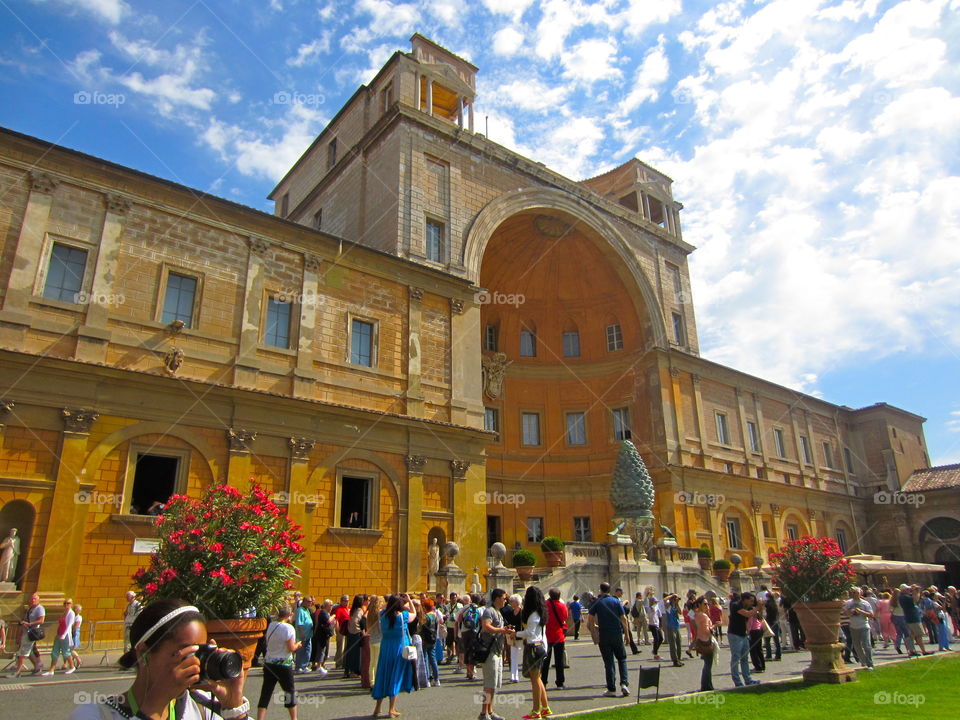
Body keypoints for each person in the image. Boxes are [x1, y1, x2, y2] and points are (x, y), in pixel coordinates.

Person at [68, 598, 250, 720]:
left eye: (202, 653)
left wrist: (233, 708)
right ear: (143, 653)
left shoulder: (199, 709)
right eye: (186, 653)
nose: (195, 664)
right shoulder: (93, 714)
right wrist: (154, 706)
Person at [371, 593, 415, 718]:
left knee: (382, 675)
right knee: (395, 677)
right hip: (398, 648)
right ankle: (391, 709)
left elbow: (383, 608)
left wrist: (391, 602)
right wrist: (409, 600)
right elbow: (414, 613)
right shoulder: (403, 616)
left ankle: (377, 708)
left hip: (385, 647)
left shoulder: (382, 614)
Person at [586, 582, 630, 698]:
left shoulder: (598, 602)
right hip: (617, 634)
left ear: (600, 590)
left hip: (604, 635)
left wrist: (594, 631)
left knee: (609, 662)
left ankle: (611, 688)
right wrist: (627, 634)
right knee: (622, 659)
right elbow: (624, 618)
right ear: (610, 590)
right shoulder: (616, 601)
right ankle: (624, 684)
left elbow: (590, 620)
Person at [259, 605, 301, 720]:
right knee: (289, 692)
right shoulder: (289, 628)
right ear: (289, 614)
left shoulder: (271, 625)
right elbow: (291, 648)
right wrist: (298, 645)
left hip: (269, 662)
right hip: (284, 664)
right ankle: (294, 718)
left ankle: (260, 718)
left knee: (266, 692)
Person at [478, 588, 513, 720]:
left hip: (498, 650)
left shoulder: (498, 612)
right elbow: (486, 626)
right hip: (489, 650)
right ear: (497, 598)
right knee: (488, 683)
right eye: (504, 598)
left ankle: (490, 711)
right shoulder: (489, 611)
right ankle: (483, 713)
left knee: (494, 683)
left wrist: (506, 630)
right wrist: (502, 630)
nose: (505, 601)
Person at [515, 586, 549, 719]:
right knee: (537, 678)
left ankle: (536, 710)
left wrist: (515, 633)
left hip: (534, 647)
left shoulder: (534, 614)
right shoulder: (540, 612)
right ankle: (545, 707)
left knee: (534, 680)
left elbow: (530, 633)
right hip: (539, 646)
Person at [727, 591, 760, 686]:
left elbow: (758, 615)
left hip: (743, 634)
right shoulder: (735, 605)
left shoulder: (748, 607)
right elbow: (748, 614)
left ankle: (748, 679)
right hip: (734, 634)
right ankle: (737, 681)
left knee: (745, 658)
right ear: (744, 599)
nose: (752, 603)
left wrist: (760, 606)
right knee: (736, 658)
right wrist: (757, 607)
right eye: (750, 601)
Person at [13, 592, 45, 676]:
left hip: (33, 632)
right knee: (29, 651)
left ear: (38, 600)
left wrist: (30, 624)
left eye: (35, 599)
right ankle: (38, 665)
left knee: (23, 652)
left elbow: (41, 620)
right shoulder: (29, 609)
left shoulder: (40, 608)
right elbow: (25, 621)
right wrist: (19, 635)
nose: (32, 600)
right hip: (26, 632)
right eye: (31, 599)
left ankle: (18, 671)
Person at [542, 588, 568, 689]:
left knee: (545, 660)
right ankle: (560, 682)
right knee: (559, 660)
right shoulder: (562, 606)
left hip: (547, 635)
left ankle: (543, 681)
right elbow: (564, 618)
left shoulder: (545, 605)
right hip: (559, 635)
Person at [43, 598, 76, 675]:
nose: (66, 605)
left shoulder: (71, 613)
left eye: (68, 603)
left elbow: (69, 625)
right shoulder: (64, 612)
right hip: (59, 634)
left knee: (66, 653)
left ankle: (72, 666)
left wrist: (64, 635)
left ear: (71, 604)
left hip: (66, 635)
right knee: (55, 652)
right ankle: (51, 670)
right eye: (65, 603)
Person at [844, 587, 875, 669]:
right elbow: (845, 613)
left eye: (855, 592)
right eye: (852, 592)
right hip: (853, 626)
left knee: (866, 645)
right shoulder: (848, 603)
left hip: (864, 626)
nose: (853, 594)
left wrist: (861, 611)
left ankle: (870, 663)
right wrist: (850, 611)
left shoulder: (865, 603)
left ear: (860, 593)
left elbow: (871, 615)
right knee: (857, 646)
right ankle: (863, 661)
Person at [692, 596, 715, 691]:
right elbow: (707, 631)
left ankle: (706, 685)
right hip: (706, 641)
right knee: (708, 665)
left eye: (707, 604)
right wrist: (714, 627)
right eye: (704, 604)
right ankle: (707, 685)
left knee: (706, 664)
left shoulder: (696, 615)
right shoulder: (704, 616)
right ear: (699, 605)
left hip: (700, 640)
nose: (707, 606)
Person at [899, 584, 929, 656]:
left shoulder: (902, 597)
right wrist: (917, 591)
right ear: (903, 590)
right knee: (918, 635)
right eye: (907, 589)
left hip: (909, 617)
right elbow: (916, 599)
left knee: (911, 635)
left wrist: (914, 591)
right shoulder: (905, 597)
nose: (909, 590)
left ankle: (911, 651)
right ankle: (923, 651)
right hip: (913, 618)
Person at [457, 593, 482, 681]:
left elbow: (459, 619)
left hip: (464, 631)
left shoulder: (464, 608)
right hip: (474, 632)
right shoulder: (479, 609)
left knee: (466, 651)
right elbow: (481, 620)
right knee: (473, 651)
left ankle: (468, 672)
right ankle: (472, 673)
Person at [344, 594, 367, 679]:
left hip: (351, 633)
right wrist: (361, 630)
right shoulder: (359, 611)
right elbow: (358, 622)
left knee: (350, 653)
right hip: (357, 634)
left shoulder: (352, 610)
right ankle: (355, 671)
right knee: (356, 654)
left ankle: (349, 670)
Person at [420, 597, 441, 687]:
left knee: (425, 658)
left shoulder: (425, 617)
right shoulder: (435, 616)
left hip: (425, 639)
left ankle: (427, 679)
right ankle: (437, 679)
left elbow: (421, 628)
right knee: (433, 659)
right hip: (433, 639)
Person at [504, 594, 523, 683]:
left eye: (512, 601)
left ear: (516, 602)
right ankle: (514, 676)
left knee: (526, 656)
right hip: (512, 637)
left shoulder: (523, 612)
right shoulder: (510, 612)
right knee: (513, 657)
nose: (510, 603)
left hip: (522, 636)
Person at [312, 599, 333, 674]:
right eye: (331, 605)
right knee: (321, 650)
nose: (331, 607)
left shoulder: (325, 612)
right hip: (322, 634)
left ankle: (320, 665)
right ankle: (319, 666)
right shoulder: (323, 612)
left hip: (324, 634)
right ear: (326, 605)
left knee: (323, 650)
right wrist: (333, 616)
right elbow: (328, 621)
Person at [293, 596, 314, 673]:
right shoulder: (300, 610)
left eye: (311, 601)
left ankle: (304, 666)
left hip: (308, 634)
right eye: (308, 602)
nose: (310, 603)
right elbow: (299, 624)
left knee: (308, 650)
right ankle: (299, 667)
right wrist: (302, 634)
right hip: (302, 635)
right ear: (304, 602)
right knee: (301, 651)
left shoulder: (307, 610)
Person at [663, 594, 684, 666]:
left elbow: (680, 612)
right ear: (672, 600)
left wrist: (677, 603)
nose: (676, 600)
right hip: (670, 626)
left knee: (679, 642)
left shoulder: (675, 606)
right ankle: (675, 660)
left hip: (677, 626)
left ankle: (678, 658)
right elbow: (664, 600)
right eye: (675, 599)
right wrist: (672, 596)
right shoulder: (668, 606)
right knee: (673, 644)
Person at [366, 595, 383, 687]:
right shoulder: (379, 613)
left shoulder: (369, 613)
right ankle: (377, 681)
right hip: (379, 639)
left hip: (372, 639)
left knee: (372, 662)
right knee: (377, 662)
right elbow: (381, 627)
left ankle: (371, 681)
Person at [644, 589, 663, 661]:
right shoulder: (649, 607)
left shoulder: (656, 606)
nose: (653, 602)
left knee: (661, 639)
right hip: (652, 625)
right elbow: (645, 602)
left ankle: (655, 651)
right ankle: (655, 654)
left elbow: (659, 615)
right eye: (652, 601)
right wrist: (647, 596)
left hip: (657, 624)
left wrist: (661, 624)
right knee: (656, 639)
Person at [747, 599, 765, 673]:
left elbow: (750, 624)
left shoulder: (752, 613)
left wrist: (748, 632)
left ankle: (757, 666)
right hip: (759, 630)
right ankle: (762, 665)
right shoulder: (758, 612)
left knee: (753, 650)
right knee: (759, 649)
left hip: (754, 631)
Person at [333, 595, 350, 668]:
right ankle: (338, 663)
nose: (347, 602)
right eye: (345, 601)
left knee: (347, 646)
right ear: (341, 601)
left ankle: (345, 662)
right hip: (341, 630)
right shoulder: (339, 609)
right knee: (340, 647)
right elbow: (336, 620)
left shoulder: (349, 608)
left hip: (348, 630)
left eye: (347, 601)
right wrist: (338, 630)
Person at [764, 592, 782, 660]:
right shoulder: (774, 604)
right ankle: (778, 655)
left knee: (767, 639)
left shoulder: (767, 604)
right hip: (775, 622)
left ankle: (769, 655)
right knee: (776, 640)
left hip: (768, 622)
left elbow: (764, 612)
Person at [70, 603, 84, 669]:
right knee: (70, 649)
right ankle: (72, 663)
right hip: (72, 633)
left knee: (70, 649)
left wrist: (71, 632)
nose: (74, 609)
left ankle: (79, 660)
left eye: (76, 609)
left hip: (74, 634)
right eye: (74, 608)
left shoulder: (78, 617)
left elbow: (76, 626)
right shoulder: (73, 616)